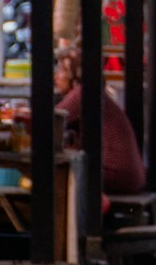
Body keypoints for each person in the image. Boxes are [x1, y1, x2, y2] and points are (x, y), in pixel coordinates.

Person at [54, 45, 146, 196]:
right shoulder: (93, 92)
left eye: (62, 70)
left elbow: (52, 121)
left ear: (74, 73)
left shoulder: (83, 93)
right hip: (129, 175)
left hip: (116, 173)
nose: (56, 76)